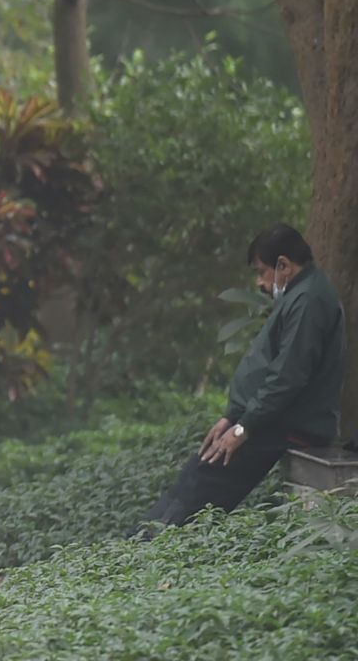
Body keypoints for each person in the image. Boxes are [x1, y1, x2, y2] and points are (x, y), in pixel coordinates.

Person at [138, 223, 348, 531]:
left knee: (205, 483)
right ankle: (137, 542)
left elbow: (287, 376)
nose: (260, 283)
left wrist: (243, 428)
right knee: (198, 471)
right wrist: (232, 417)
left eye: (262, 272)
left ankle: (150, 547)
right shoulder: (301, 293)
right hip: (270, 417)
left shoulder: (309, 300)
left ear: (283, 265)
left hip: (287, 421)